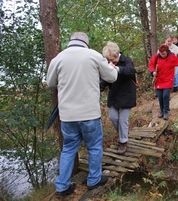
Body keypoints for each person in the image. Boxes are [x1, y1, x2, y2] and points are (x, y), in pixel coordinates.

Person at [47, 32, 118, 196]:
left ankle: (62, 186)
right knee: (94, 147)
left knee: (68, 149)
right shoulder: (93, 55)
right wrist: (113, 68)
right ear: (86, 42)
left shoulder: (58, 58)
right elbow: (112, 77)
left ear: (71, 41)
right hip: (89, 114)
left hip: (67, 116)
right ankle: (93, 180)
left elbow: (51, 82)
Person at [100, 41, 136, 154]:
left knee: (123, 120)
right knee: (113, 117)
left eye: (112, 59)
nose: (111, 62)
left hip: (127, 94)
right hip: (114, 95)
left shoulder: (126, 60)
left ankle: (123, 142)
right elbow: (104, 79)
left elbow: (131, 71)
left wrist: (117, 68)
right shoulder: (107, 63)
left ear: (117, 55)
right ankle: (123, 135)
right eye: (109, 60)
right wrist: (97, 88)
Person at [149, 44, 178, 120]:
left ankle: (166, 111)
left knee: (165, 96)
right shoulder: (156, 57)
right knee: (160, 97)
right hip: (159, 80)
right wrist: (152, 72)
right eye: (161, 53)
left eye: (164, 53)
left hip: (168, 80)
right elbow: (151, 64)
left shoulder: (172, 57)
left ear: (167, 51)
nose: (162, 55)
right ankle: (161, 111)